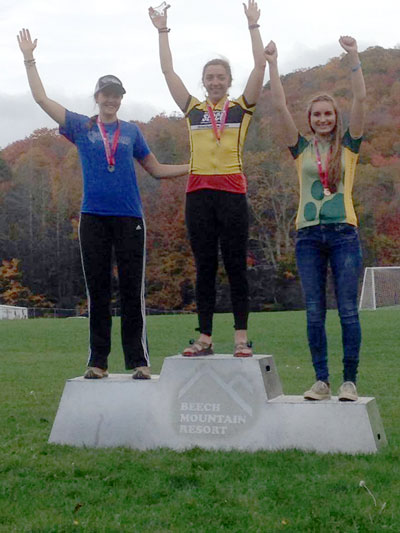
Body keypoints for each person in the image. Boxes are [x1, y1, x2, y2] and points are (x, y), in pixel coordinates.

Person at [17, 28, 189, 380]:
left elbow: (155, 169)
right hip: (93, 218)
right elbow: (40, 99)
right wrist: (29, 58)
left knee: (131, 292)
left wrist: (194, 166)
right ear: (97, 96)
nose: (111, 100)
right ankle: (98, 362)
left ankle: (139, 362)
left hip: (130, 219)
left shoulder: (132, 131)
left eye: (117, 95)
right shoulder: (81, 127)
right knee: (97, 291)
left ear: (121, 100)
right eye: (106, 94)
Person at [149, 1, 265, 357]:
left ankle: (242, 337)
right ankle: (205, 338)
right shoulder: (192, 110)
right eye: (210, 77)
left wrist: (252, 26)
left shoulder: (241, 109)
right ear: (204, 82)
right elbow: (168, 72)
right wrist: (162, 31)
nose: (215, 82)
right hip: (198, 193)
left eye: (221, 77)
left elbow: (260, 66)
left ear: (229, 81)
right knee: (204, 267)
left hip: (231, 192)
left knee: (235, 266)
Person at [265, 36, 366, 401]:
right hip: (307, 236)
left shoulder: (350, 145)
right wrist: (273, 64)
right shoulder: (301, 149)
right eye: (317, 114)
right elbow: (278, 106)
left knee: (349, 313)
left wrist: (353, 57)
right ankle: (321, 381)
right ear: (309, 120)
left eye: (328, 114)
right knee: (313, 313)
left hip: (344, 234)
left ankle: (349, 381)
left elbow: (361, 99)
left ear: (335, 118)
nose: (323, 119)